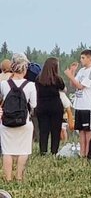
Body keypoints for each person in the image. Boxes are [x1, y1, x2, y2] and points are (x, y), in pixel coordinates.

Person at [0, 55, 37, 184]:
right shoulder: (30, 85)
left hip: (6, 122)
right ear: (25, 69)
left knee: (7, 151)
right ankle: (19, 178)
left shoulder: (4, 84)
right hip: (24, 122)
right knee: (23, 150)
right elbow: (34, 105)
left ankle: (8, 179)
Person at [34, 58, 69, 155]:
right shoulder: (57, 79)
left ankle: (43, 151)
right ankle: (54, 151)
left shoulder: (38, 79)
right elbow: (64, 89)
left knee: (43, 131)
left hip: (42, 107)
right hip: (55, 107)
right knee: (55, 130)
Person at [66, 51, 91, 158]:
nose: (81, 60)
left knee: (88, 132)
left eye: (83, 58)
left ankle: (88, 153)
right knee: (81, 131)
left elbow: (81, 86)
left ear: (89, 58)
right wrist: (72, 73)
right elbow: (73, 84)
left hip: (88, 105)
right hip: (79, 105)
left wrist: (70, 76)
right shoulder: (82, 70)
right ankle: (82, 153)